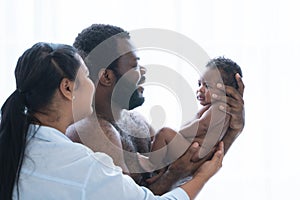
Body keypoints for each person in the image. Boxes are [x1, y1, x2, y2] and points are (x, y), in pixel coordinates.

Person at [0, 42, 224, 200]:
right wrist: (203, 176)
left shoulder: (16, 142)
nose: (92, 84)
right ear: (67, 88)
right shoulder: (80, 163)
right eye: (87, 76)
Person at [66, 24, 245, 194]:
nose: (143, 71)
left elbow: (185, 177)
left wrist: (232, 130)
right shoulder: (92, 131)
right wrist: (174, 175)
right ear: (106, 76)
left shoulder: (137, 121)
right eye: (134, 65)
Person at [137, 57, 243, 171]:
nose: (200, 89)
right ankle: (159, 172)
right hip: (194, 151)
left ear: (226, 91)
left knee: (164, 133)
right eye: (199, 84)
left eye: (207, 86)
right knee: (165, 140)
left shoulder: (220, 108)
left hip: (194, 153)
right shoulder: (215, 108)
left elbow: (202, 126)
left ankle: (151, 163)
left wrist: (179, 134)